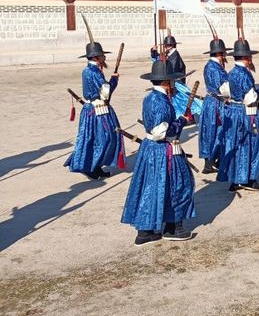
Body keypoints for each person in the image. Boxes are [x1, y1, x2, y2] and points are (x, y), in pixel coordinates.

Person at [121, 60, 195, 245]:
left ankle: (145, 230)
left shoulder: (151, 97)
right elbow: (160, 131)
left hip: (151, 150)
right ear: (166, 82)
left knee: (151, 186)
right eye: (171, 80)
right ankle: (172, 227)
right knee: (180, 184)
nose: (173, 84)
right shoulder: (159, 101)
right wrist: (182, 121)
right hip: (162, 149)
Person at [65, 39, 124, 180]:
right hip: (96, 110)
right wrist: (114, 80)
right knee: (105, 138)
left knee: (95, 138)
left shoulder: (89, 70)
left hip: (92, 109)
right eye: (102, 56)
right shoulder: (94, 72)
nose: (105, 58)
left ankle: (96, 166)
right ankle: (90, 166)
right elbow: (106, 92)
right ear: (97, 57)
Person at [219, 38, 259, 191]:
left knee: (235, 145)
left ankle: (235, 178)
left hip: (233, 112)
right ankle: (246, 180)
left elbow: (224, 90)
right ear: (247, 58)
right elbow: (251, 98)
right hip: (246, 114)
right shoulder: (245, 75)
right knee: (250, 145)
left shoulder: (231, 72)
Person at [150, 32, 203, 118]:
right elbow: (159, 62)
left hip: (175, 81)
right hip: (168, 80)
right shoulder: (168, 54)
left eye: (170, 45)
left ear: (173, 45)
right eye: (166, 45)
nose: (168, 47)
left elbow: (170, 69)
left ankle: (186, 115)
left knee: (182, 99)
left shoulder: (175, 56)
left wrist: (162, 61)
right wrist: (154, 52)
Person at [199, 35, 230, 174]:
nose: (225, 56)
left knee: (211, 131)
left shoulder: (213, 66)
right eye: (223, 53)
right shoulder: (214, 68)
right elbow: (223, 89)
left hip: (212, 101)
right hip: (216, 103)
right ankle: (211, 161)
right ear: (219, 54)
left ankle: (213, 160)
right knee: (216, 131)